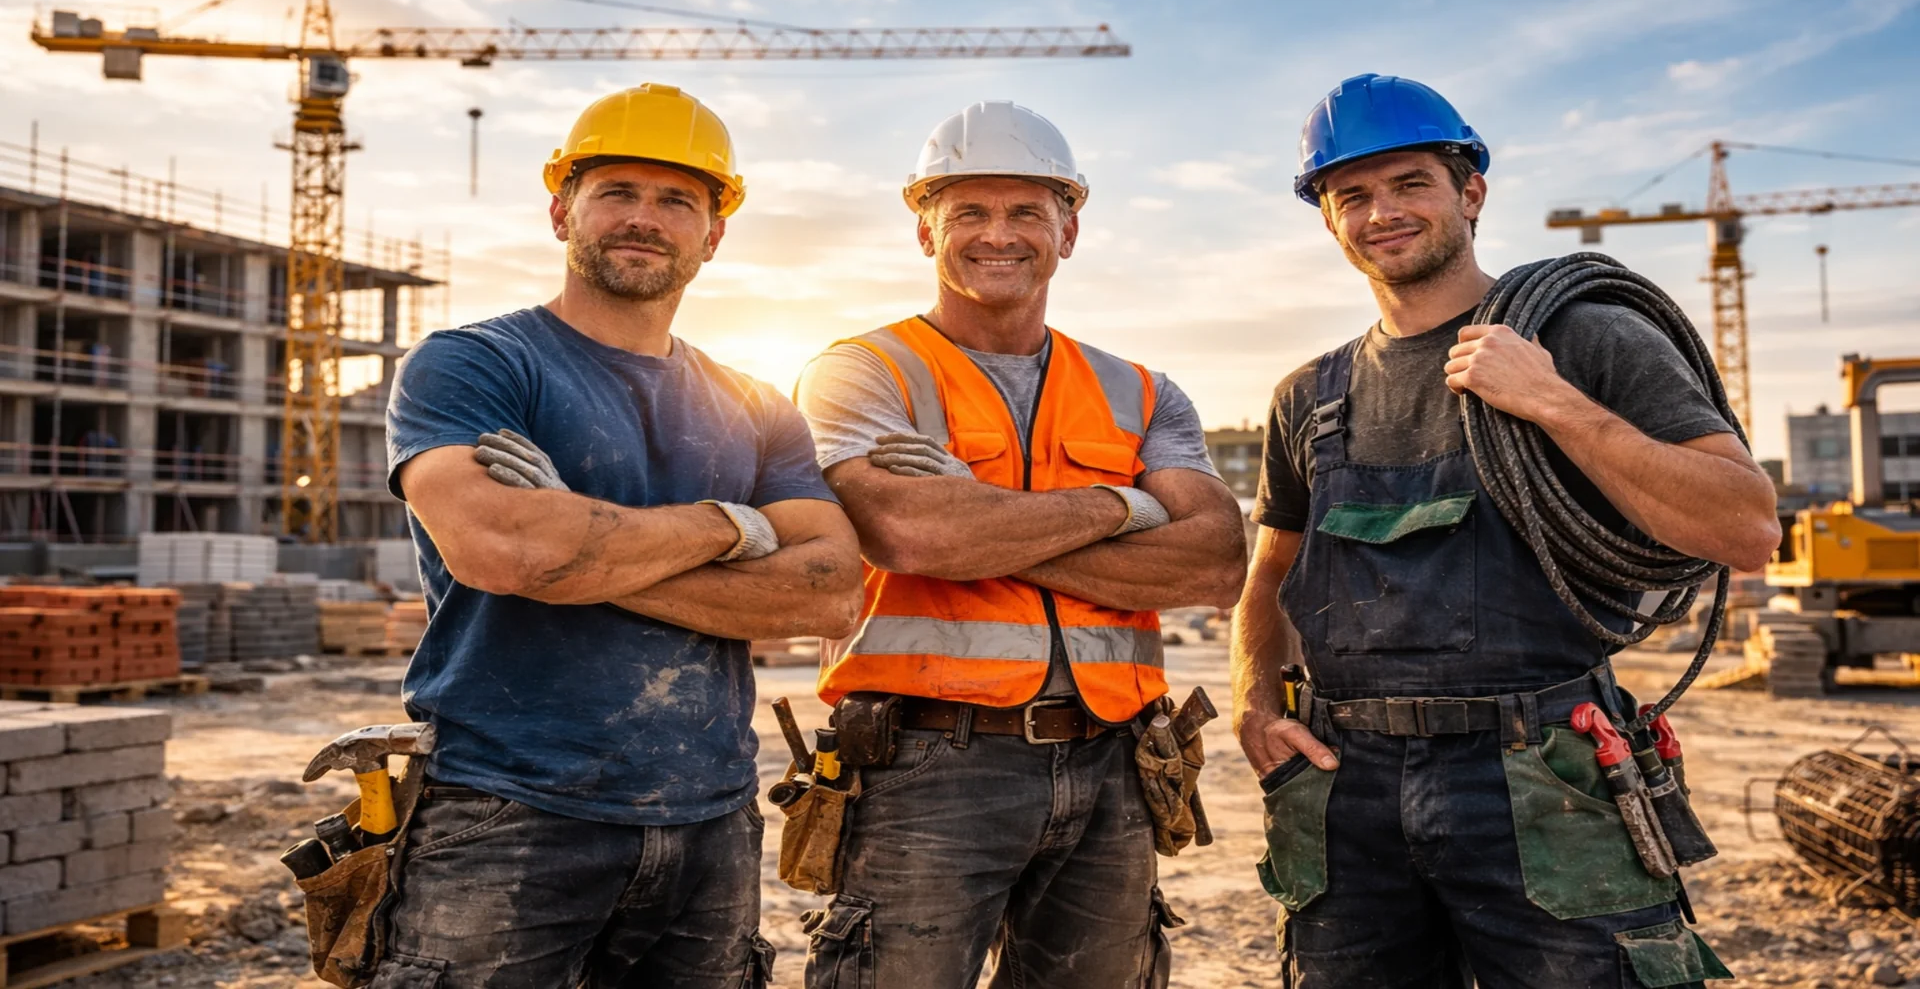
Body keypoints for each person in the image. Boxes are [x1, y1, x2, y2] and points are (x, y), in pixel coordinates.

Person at [1231, 73, 1779, 987]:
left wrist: (1553, 402)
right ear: (1327, 220)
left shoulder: (1585, 338)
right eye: (1351, 195)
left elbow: (1746, 527)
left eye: (1410, 183)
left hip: (1543, 776)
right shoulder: (1310, 396)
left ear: (1472, 192)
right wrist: (1255, 698)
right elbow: (1271, 573)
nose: (1381, 213)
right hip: (1347, 784)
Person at [379, 83, 864, 989]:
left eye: (678, 199)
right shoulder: (475, 363)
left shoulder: (757, 404)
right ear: (561, 211)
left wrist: (579, 548)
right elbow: (502, 551)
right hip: (506, 808)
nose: (645, 217)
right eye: (617, 192)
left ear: (713, 235)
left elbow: (833, 590)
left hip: (711, 818)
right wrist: (739, 526)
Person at [793, 100, 1248, 988]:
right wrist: (1125, 505)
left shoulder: (1141, 390)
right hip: (926, 765)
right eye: (968, 211)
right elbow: (905, 530)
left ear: (1067, 231)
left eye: (1025, 212)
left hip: (1116, 759)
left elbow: (1215, 562)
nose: (998, 234)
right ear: (925, 233)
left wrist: (975, 520)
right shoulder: (863, 372)